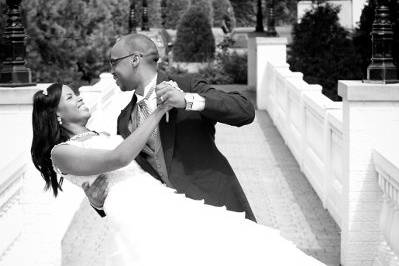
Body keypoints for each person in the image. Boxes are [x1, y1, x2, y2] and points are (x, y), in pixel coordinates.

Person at [31, 82, 324, 266]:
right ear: (56, 115)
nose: (80, 98)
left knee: (223, 243)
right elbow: (119, 158)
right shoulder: (61, 152)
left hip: (157, 197)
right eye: (71, 98)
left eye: (77, 94)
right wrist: (157, 112)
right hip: (133, 211)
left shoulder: (100, 132)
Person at [84, 33, 257, 221]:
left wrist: (187, 100)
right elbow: (131, 175)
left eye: (114, 62)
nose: (111, 71)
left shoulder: (186, 85)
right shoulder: (124, 120)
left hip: (216, 208)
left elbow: (245, 111)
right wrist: (99, 204)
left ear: (134, 59)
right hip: (170, 221)